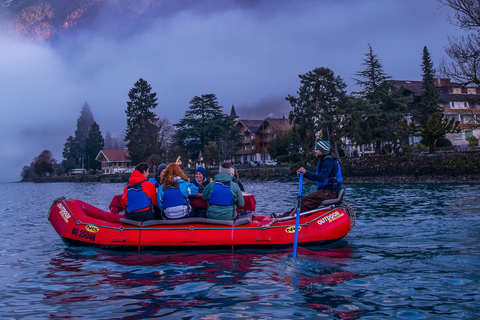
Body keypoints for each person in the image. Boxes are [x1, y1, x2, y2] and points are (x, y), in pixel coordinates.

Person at [296, 140, 343, 213]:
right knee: (307, 201)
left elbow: (322, 178)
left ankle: (292, 219)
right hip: (328, 191)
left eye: (316, 149)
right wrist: (305, 175)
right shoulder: (326, 161)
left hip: (330, 192)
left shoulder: (328, 161)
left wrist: (306, 173)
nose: (315, 151)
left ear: (322, 150)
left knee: (305, 201)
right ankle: (288, 215)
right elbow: (319, 177)